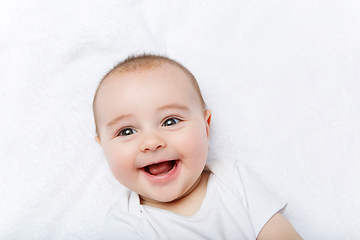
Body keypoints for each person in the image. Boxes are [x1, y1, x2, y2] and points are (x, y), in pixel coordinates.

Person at [93, 54, 302, 239]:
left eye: (170, 121)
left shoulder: (232, 178)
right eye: (126, 132)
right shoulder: (124, 224)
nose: (151, 142)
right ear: (103, 147)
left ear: (206, 127)